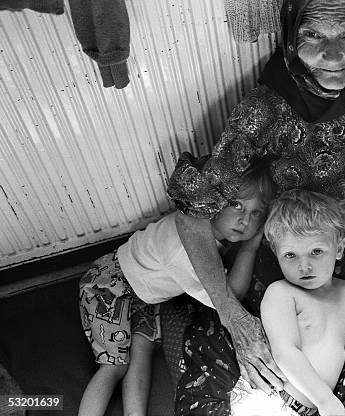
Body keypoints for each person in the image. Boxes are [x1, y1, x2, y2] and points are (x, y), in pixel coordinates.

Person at [163, 0, 345, 414]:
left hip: (344, 256)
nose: (332, 55)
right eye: (313, 34)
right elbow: (192, 213)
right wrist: (231, 314)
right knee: (236, 371)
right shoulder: (265, 110)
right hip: (285, 258)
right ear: (291, 39)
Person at [77, 161, 275, 416]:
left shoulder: (207, 229)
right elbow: (230, 298)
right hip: (109, 285)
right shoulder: (183, 250)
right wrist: (250, 247)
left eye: (256, 213)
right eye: (236, 204)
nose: (245, 220)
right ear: (215, 201)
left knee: (142, 347)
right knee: (114, 366)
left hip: (144, 295)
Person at [228, 189, 345, 416]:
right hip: (274, 399)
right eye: (291, 255)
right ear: (276, 252)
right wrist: (325, 400)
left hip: (322, 408)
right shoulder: (281, 293)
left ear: (340, 247)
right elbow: (285, 351)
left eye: (316, 252)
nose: (304, 266)